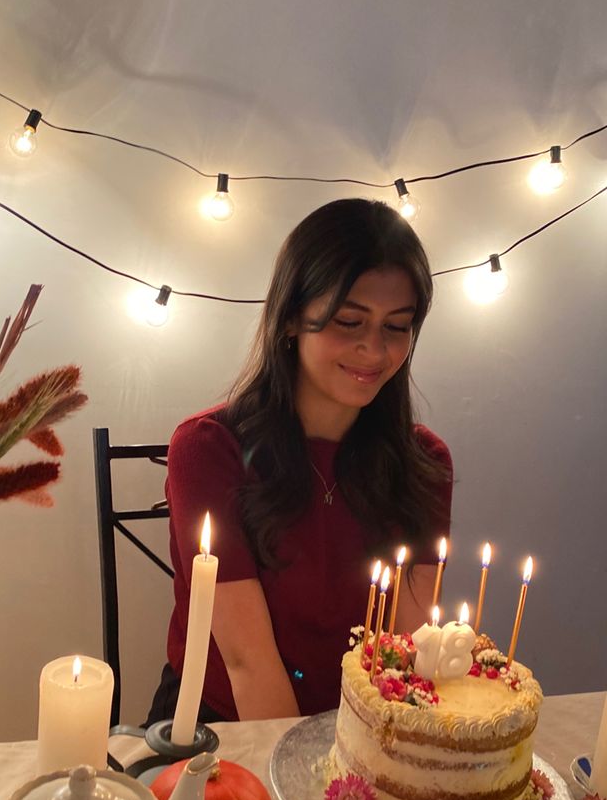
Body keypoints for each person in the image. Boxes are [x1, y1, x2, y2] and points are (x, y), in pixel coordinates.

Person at [146, 198, 453, 724]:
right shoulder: (208, 450)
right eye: (349, 321)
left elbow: (406, 651)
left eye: (396, 327)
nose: (374, 351)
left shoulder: (423, 461)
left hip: (360, 728)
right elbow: (248, 665)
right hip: (224, 730)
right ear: (290, 319)